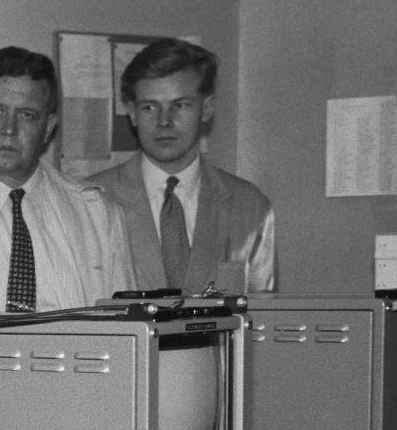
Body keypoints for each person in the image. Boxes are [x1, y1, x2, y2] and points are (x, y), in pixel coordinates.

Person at [0, 47, 133, 313]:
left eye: (26, 115)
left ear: (49, 127)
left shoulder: (99, 214)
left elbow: (128, 331)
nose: (9, 129)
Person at [89, 38, 275, 295]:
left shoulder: (249, 206)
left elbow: (260, 319)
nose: (164, 121)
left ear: (206, 108)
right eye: (150, 107)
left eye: (180, 105)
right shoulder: (91, 200)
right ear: (131, 113)